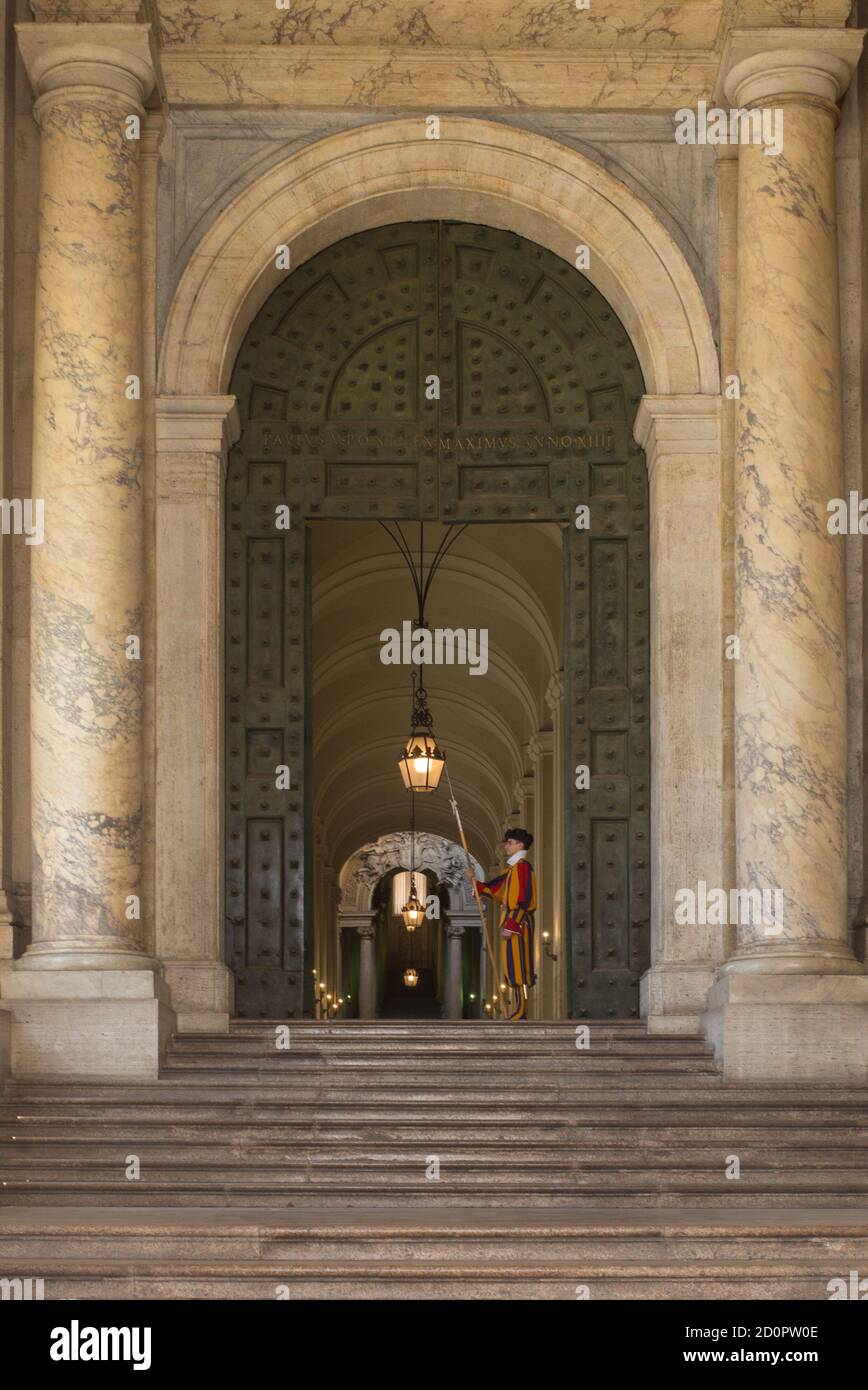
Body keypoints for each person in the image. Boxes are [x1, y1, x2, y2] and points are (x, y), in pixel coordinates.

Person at [471, 828, 537, 1020]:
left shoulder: (523, 868)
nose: (506, 846)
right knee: (511, 966)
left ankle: (523, 1010)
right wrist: (474, 882)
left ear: (519, 845)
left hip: (519, 923)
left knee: (520, 967)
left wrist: (511, 925)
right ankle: (519, 1007)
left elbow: (523, 899)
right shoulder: (512, 870)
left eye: (509, 843)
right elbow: (495, 889)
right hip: (513, 922)